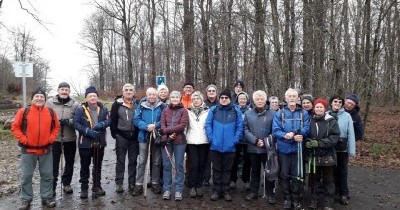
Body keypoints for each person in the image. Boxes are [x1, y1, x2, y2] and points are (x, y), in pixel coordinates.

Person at [12, 87, 60, 209]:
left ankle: (47, 198)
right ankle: (26, 200)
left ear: (45, 99)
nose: (39, 99)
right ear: (32, 98)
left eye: (42, 97)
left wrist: (51, 138)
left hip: (46, 150)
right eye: (37, 97)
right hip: (28, 151)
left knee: (47, 175)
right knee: (26, 176)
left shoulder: (50, 112)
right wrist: (23, 139)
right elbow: (15, 127)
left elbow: (56, 127)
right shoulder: (24, 111)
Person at [272, 88, 310, 210]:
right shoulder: (280, 113)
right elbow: (275, 130)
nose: (292, 98)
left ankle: (296, 198)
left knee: (297, 175)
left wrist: (298, 134)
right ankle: (287, 198)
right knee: (284, 174)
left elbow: (306, 128)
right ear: (286, 98)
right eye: (290, 96)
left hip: (298, 150)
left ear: (298, 98)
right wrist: (284, 135)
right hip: (284, 149)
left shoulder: (303, 113)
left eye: (294, 96)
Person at [205, 89, 243, 201]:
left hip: (230, 147)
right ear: (219, 98)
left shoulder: (236, 111)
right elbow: (208, 125)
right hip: (215, 146)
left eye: (226, 98)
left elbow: (240, 127)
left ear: (230, 99)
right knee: (216, 170)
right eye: (222, 97)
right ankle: (216, 191)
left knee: (227, 170)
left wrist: (235, 140)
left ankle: (226, 191)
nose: (224, 99)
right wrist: (211, 139)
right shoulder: (213, 110)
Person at [74, 86, 110, 199]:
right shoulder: (80, 109)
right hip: (85, 142)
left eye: (94, 95)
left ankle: (96, 186)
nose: (93, 97)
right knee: (85, 166)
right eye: (90, 96)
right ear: (86, 98)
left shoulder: (103, 108)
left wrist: (102, 124)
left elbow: (109, 120)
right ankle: (84, 188)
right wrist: (86, 131)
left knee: (97, 165)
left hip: (99, 141)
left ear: (97, 96)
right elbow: (76, 123)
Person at [304, 98, 340, 210]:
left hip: (327, 155)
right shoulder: (309, 120)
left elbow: (334, 138)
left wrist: (319, 143)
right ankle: (313, 200)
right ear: (314, 108)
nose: (319, 109)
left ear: (325, 108)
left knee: (328, 180)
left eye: (321, 107)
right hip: (313, 155)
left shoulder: (331, 121)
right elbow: (305, 134)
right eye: (317, 107)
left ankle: (328, 202)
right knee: (313, 179)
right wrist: (307, 142)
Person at [46, 82, 79, 196]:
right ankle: (52, 186)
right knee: (53, 163)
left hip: (70, 138)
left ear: (69, 91)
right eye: (62, 89)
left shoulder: (75, 104)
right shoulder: (50, 103)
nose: (64, 91)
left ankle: (66, 183)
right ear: (58, 90)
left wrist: (68, 121)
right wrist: (54, 122)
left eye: (66, 89)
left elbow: (79, 120)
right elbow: (45, 118)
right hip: (55, 138)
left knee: (69, 162)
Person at [243, 90, 276, 204]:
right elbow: (245, 130)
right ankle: (253, 192)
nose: (260, 101)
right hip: (253, 147)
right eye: (257, 99)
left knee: (269, 171)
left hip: (267, 148)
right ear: (254, 100)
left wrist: (266, 141)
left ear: (265, 100)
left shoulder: (273, 113)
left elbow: (275, 130)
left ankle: (270, 193)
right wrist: (255, 141)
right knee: (255, 171)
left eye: (262, 98)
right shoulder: (248, 113)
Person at [133, 87, 166, 195]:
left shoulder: (162, 106)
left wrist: (155, 126)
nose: (152, 96)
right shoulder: (141, 106)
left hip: (156, 137)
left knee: (156, 161)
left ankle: (155, 182)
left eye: (154, 94)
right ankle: (138, 184)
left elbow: (164, 120)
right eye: (150, 94)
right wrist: (146, 126)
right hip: (143, 137)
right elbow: (136, 120)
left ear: (157, 95)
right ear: (147, 96)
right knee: (142, 161)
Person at [110, 83, 139, 194]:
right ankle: (119, 183)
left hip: (134, 137)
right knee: (120, 161)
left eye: (130, 90)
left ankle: (132, 183)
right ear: (123, 92)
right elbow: (113, 120)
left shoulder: (138, 104)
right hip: (121, 136)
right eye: (126, 90)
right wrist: (115, 134)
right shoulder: (116, 104)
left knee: (133, 161)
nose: (128, 91)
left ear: (134, 92)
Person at [160, 91, 189, 201]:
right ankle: (167, 189)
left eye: (177, 97)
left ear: (180, 98)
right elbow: (162, 124)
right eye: (173, 97)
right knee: (167, 165)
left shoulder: (183, 111)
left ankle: (178, 190)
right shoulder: (165, 110)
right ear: (170, 98)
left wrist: (167, 131)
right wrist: (165, 138)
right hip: (166, 142)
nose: (175, 98)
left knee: (179, 165)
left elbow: (182, 126)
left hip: (180, 141)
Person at [327, 94, 356, 205]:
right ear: (331, 103)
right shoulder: (326, 115)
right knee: (330, 172)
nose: (337, 104)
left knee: (342, 172)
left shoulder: (347, 116)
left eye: (340, 102)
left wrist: (351, 150)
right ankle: (332, 193)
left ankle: (344, 194)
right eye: (335, 101)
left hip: (342, 149)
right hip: (329, 148)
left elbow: (351, 134)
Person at [186, 91, 209, 198]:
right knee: (194, 165)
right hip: (191, 141)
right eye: (194, 99)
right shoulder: (187, 111)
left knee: (202, 164)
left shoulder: (208, 111)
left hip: (204, 141)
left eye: (198, 98)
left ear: (201, 100)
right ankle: (192, 186)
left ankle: (199, 185)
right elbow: (185, 127)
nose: (196, 100)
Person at [230, 91, 251, 190]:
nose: (242, 100)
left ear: (247, 100)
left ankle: (246, 179)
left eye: (244, 98)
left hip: (247, 140)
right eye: (240, 98)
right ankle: (232, 179)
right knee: (234, 160)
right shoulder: (233, 109)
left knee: (247, 161)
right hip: (236, 139)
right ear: (237, 100)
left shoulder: (251, 110)